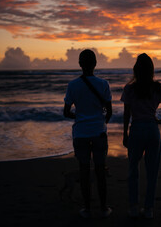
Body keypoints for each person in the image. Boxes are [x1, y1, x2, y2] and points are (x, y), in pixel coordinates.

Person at [121, 53, 161, 219]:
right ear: (151, 70)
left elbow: (126, 114)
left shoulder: (129, 88)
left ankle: (133, 207)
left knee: (133, 169)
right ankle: (148, 210)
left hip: (137, 129)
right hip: (153, 130)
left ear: (136, 69)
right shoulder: (157, 87)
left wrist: (125, 134)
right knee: (152, 172)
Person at [63, 49, 112, 218]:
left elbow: (66, 112)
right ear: (95, 64)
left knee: (84, 171)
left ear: (79, 64)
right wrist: (100, 122)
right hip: (99, 132)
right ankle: (104, 208)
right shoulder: (104, 84)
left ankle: (87, 209)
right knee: (100, 171)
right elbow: (110, 112)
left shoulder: (72, 85)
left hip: (80, 133)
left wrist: (81, 117)